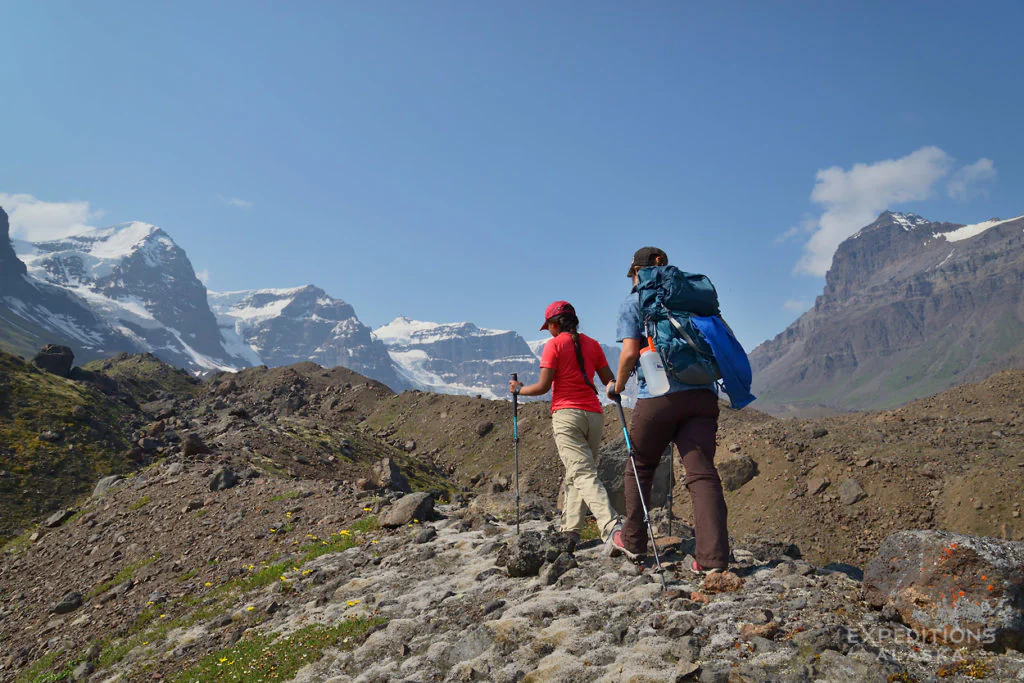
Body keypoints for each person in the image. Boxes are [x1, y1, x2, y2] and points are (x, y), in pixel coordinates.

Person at [607, 247, 729, 573]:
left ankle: (632, 542)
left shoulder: (635, 301)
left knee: (641, 465)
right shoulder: (691, 298)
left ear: (638, 271)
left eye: (633, 275)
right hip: (702, 395)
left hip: (658, 396)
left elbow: (630, 352)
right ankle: (713, 559)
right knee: (701, 473)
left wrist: (617, 387)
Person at [509, 300, 621, 546]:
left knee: (582, 472)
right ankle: (570, 531)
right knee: (577, 472)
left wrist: (519, 390)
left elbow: (543, 387)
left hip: (567, 414)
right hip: (594, 415)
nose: (548, 330)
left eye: (548, 325)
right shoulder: (592, 345)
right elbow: (609, 382)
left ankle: (612, 526)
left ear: (555, 323)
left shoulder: (554, 345)